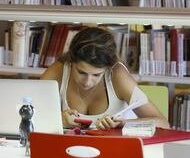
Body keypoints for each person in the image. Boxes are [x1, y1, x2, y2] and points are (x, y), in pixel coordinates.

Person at [41, 27, 170, 130]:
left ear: (108, 68)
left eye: (97, 75)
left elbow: (163, 123)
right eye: (81, 72)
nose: (87, 82)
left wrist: (123, 123)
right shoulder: (58, 70)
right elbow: (25, 115)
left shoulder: (118, 76)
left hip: (114, 151)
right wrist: (57, 119)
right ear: (71, 61)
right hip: (68, 149)